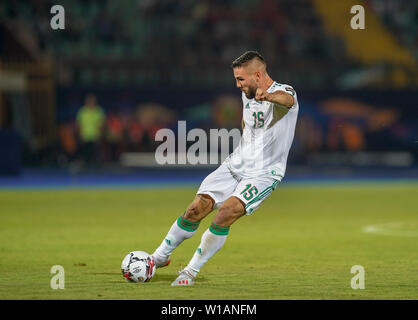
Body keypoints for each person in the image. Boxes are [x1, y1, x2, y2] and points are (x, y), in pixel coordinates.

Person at [151, 51, 299, 286]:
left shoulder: (285, 92)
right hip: (235, 164)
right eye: (236, 79)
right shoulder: (248, 94)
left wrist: (269, 97)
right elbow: (247, 122)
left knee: (224, 214)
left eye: (241, 79)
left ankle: (189, 271)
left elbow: (287, 100)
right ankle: (158, 258)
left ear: (258, 75)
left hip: (263, 174)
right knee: (195, 209)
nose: (238, 84)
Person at [75, 94, 106, 167]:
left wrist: (99, 134)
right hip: (85, 136)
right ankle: (85, 166)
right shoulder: (82, 111)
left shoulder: (98, 111)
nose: (91, 102)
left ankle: (97, 167)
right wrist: (80, 134)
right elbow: (79, 124)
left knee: (96, 153)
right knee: (85, 153)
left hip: (95, 136)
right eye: (89, 101)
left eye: (92, 101)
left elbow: (101, 124)